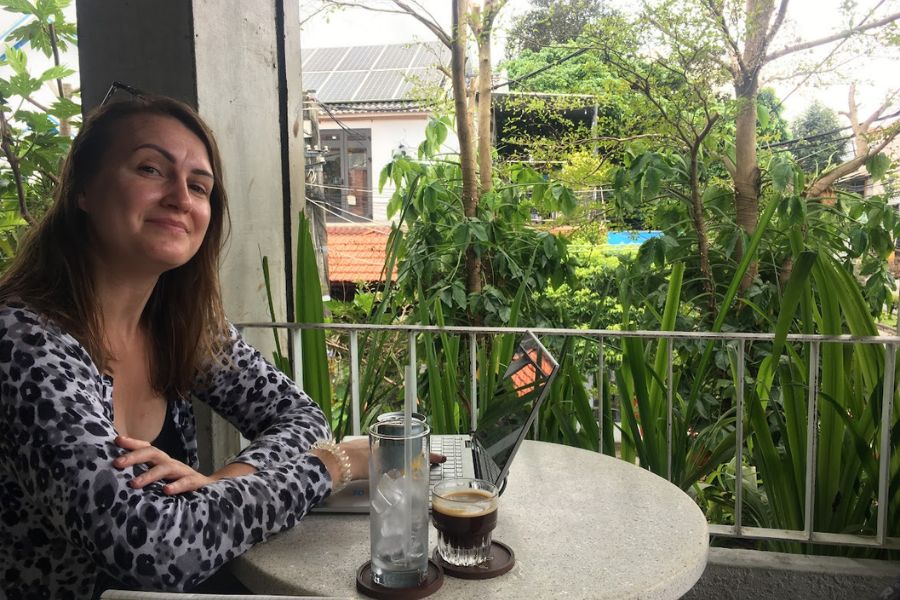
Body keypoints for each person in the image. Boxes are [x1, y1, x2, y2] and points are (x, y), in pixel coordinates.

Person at [0, 94, 369, 599]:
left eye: (200, 186)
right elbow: (156, 549)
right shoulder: (24, 343)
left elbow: (301, 418)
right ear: (83, 189)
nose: (181, 196)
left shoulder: (183, 324)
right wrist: (335, 466)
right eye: (151, 169)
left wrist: (223, 483)